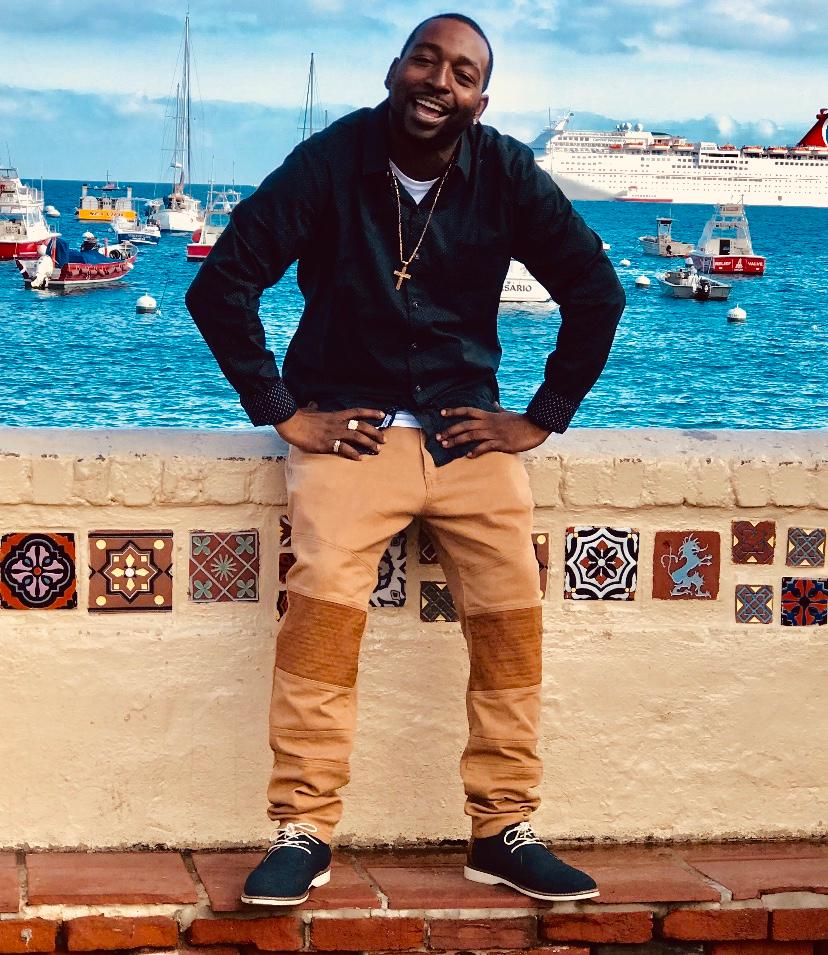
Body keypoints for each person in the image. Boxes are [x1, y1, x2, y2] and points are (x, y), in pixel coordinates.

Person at [186, 12, 625, 908]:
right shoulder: (329, 162)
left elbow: (596, 290)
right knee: (320, 616)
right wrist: (283, 412)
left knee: (510, 621)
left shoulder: (506, 171)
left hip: (468, 436)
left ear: (480, 101)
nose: (439, 81)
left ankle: (501, 829)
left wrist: (541, 417)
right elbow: (221, 284)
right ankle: (303, 829)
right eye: (426, 60)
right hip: (351, 436)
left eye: (462, 73)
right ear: (395, 69)